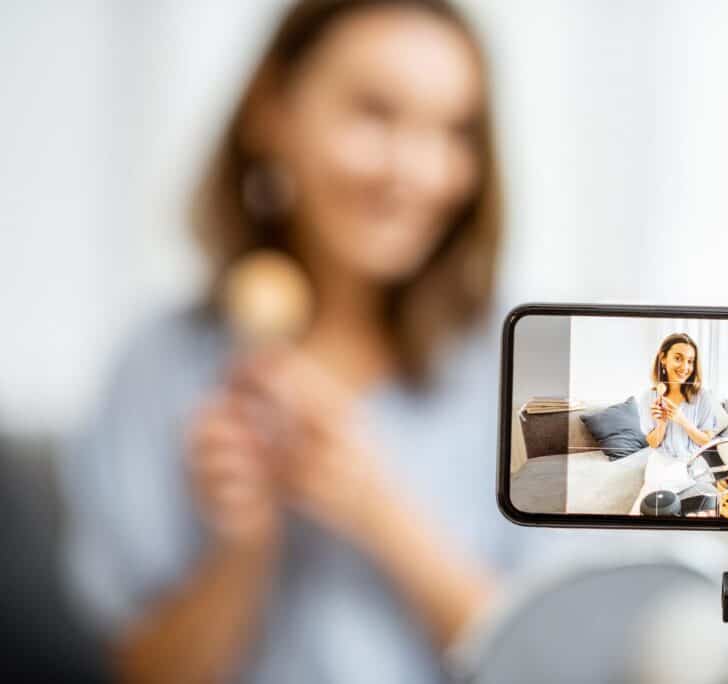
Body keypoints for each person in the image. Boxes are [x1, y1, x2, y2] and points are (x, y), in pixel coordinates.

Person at [60, 1, 521, 682]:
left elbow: (554, 655)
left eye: (454, 131)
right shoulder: (159, 364)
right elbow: (144, 672)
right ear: (272, 113)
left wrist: (375, 508)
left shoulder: (515, 366)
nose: (416, 170)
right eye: (375, 112)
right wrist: (244, 541)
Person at [638, 332, 718, 458]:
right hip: (661, 461)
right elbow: (653, 443)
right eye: (678, 358)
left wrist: (682, 420)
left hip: (693, 460)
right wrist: (661, 424)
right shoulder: (648, 397)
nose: (685, 367)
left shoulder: (703, 396)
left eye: (690, 361)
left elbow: (706, 441)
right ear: (663, 358)